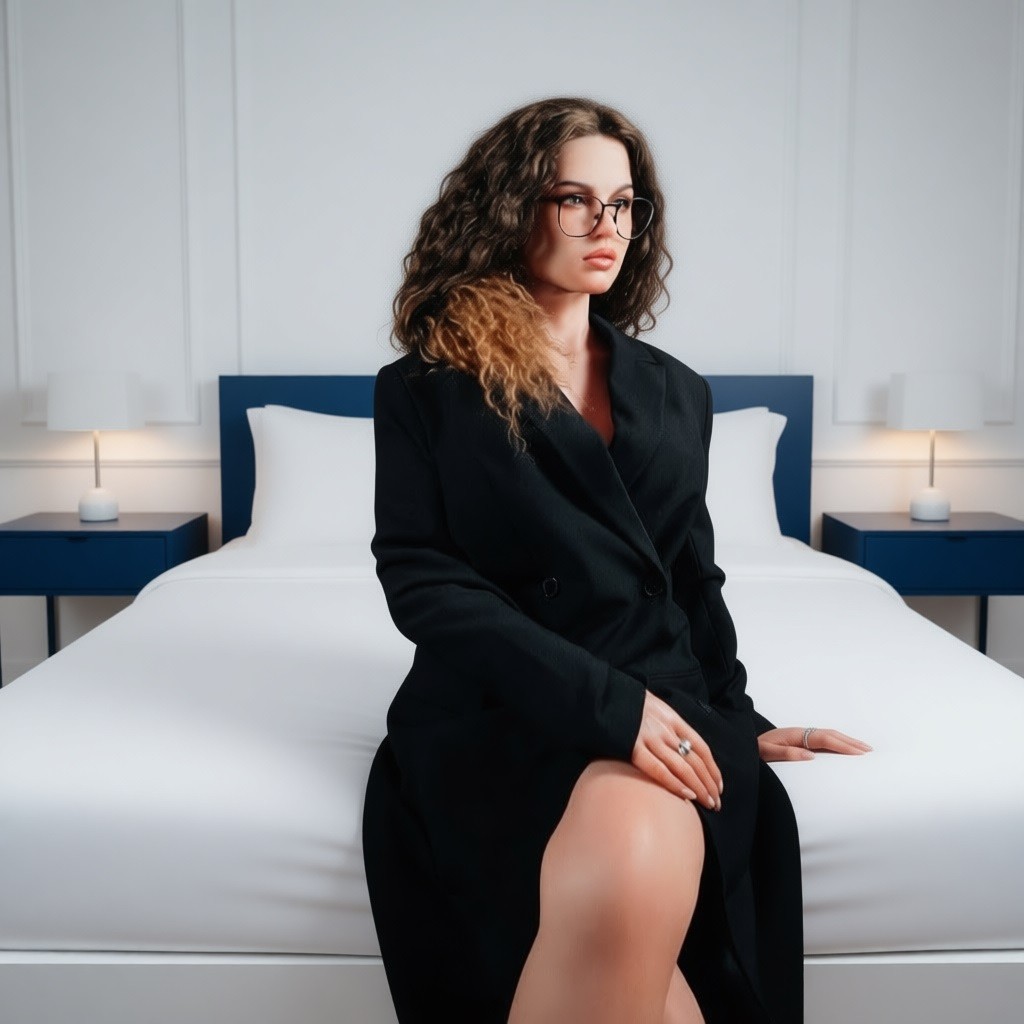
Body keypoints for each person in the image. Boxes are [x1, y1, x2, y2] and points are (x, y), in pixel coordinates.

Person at [362, 97, 871, 1024]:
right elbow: (425, 582)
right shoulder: (429, 386)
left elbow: (689, 580)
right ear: (510, 207)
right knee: (635, 876)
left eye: (625, 204)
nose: (608, 226)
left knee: (639, 842)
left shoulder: (678, 392)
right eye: (574, 199)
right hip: (501, 711)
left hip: (660, 698)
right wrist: (610, 705)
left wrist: (737, 720)